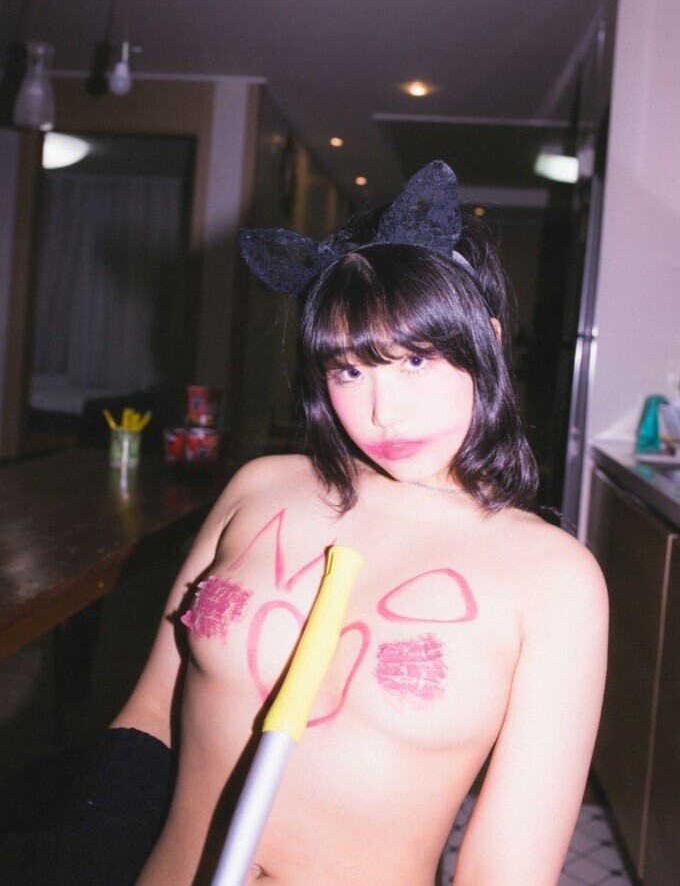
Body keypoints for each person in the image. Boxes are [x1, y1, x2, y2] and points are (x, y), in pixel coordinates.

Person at [49, 161, 608, 885]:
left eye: (416, 360)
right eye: (349, 370)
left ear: (489, 342)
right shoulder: (259, 488)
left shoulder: (554, 577)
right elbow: (151, 710)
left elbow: (505, 869)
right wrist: (88, 858)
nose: (383, 411)